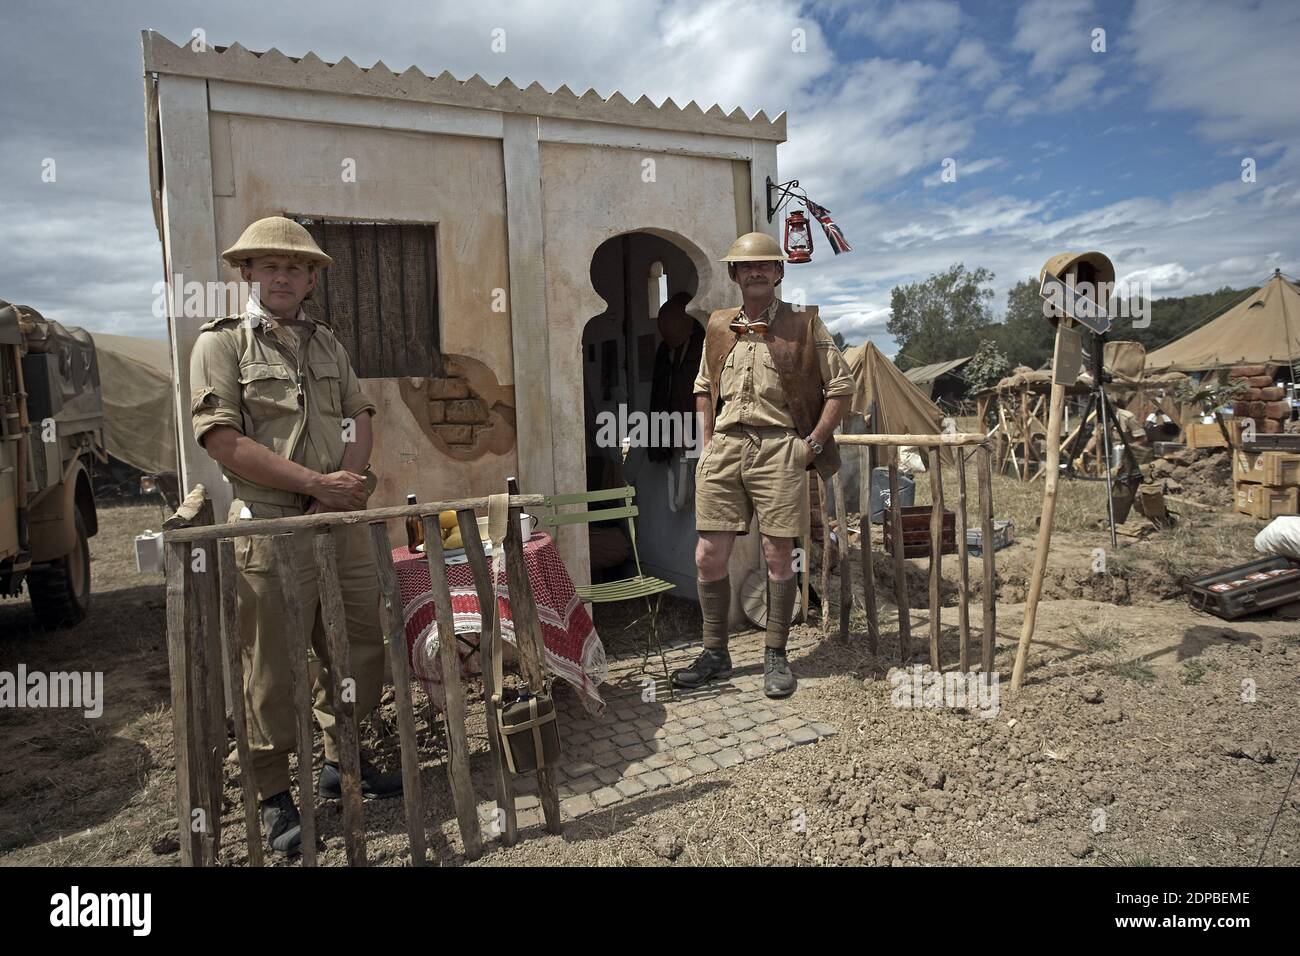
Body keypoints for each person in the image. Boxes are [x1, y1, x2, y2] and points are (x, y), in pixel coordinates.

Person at [189, 216, 399, 856]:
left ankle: (343, 762)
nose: (282, 276)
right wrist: (316, 484)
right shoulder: (221, 345)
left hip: (335, 521)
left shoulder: (327, 344)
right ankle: (275, 794)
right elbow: (223, 440)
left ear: (311, 278)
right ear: (247, 273)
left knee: (359, 644)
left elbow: (360, 414)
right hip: (273, 526)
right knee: (272, 667)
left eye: (295, 267)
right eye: (268, 265)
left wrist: (346, 480)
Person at [672, 232, 853, 698]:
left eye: (765, 265)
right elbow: (701, 386)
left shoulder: (804, 323)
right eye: (746, 266)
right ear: (733, 275)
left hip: (780, 449)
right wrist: (707, 442)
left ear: (778, 272)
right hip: (725, 449)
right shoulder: (717, 325)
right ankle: (716, 652)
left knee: (777, 554)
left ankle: (775, 652)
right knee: (708, 553)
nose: (755, 272)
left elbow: (841, 388)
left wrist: (810, 445)